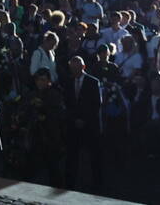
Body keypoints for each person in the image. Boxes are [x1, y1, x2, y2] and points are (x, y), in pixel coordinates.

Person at [62, 55, 103, 190]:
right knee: (72, 155)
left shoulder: (93, 82)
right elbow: (67, 103)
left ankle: (97, 184)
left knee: (94, 155)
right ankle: (70, 183)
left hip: (89, 124)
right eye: (72, 68)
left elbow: (96, 104)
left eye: (77, 68)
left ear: (83, 67)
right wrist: (74, 119)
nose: (74, 71)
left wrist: (84, 120)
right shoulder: (68, 82)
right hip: (73, 124)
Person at [25, 67, 67, 188]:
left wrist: (44, 109)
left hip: (50, 138)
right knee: (30, 169)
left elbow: (59, 115)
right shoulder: (32, 94)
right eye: (38, 80)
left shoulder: (55, 95)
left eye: (43, 80)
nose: (40, 82)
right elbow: (26, 112)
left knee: (54, 170)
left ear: (49, 81)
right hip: (35, 137)